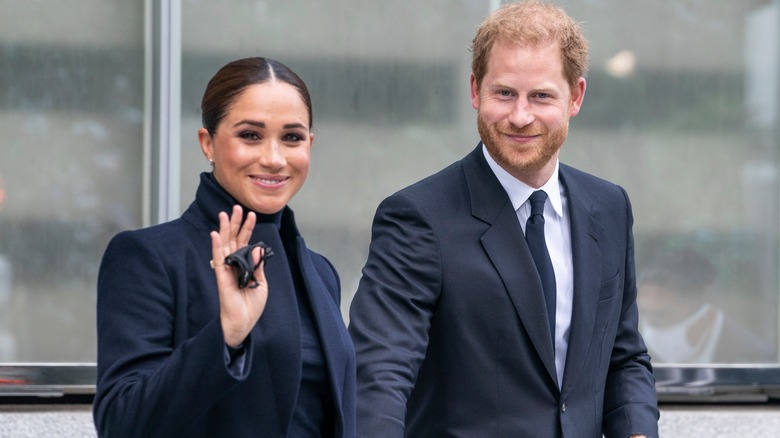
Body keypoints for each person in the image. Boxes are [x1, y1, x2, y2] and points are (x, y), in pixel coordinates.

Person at [348, 1, 659, 437]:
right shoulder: (417, 217)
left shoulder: (608, 207)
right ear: (476, 90)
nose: (520, 115)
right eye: (504, 93)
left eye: (542, 96)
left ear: (576, 96)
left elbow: (623, 356)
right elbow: (379, 373)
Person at [94, 57, 355, 437]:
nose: (274, 158)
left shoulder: (319, 272)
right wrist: (226, 334)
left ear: (309, 145)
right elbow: (122, 423)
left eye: (292, 137)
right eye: (250, 135)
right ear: (208, 143)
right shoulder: (148, 258)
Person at [638, 247, 775, 364]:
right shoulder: (639, 361)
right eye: (644, 313)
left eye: (662, 315)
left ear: (705, 315)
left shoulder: (754, 361)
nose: (650, 328)